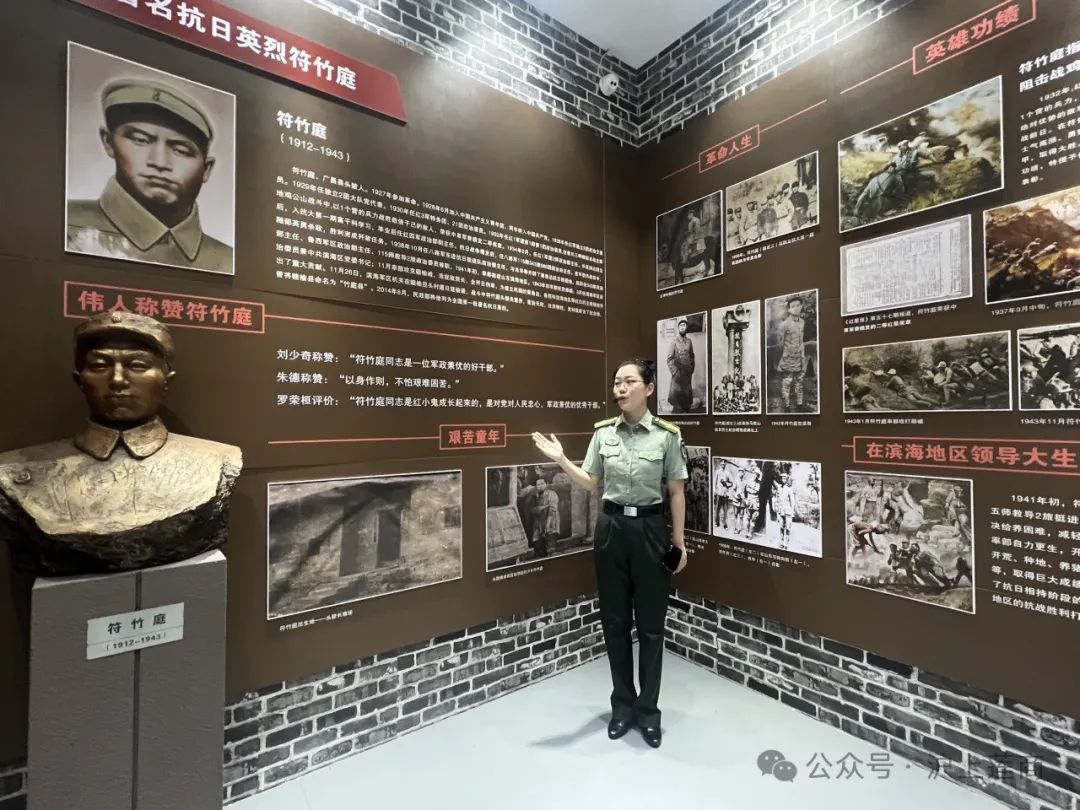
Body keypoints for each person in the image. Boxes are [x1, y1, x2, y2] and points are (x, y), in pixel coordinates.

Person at [0, 312, 242, 575]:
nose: (117, 380)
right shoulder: (13, 473)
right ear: (79, 381)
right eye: (100, 366)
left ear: (167, 381)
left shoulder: (218, 461)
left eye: (137, 365)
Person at [531, 359, 688, 749]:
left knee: (651, 626)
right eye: (617, 382)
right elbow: (590, 482)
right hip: (612, 529)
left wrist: (679, 542)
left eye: (629, 381)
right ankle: (622, 708)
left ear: (648, 389)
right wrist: (561, 460)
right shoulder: (603, 433)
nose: (620, 388)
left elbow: (676, 491)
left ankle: (648, 712)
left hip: (650, 530)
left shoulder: (667, 436)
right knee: (615, 623)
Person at [67, 79, 232, 274]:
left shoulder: (226, 261)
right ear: (108, 142)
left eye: (181, 150)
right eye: (140, 140)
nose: (159, 162)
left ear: (206, 169)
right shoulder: (66, 227)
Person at [775, 296, 807, 412]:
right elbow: (780, 345)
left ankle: (799, 405)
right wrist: (783, 357)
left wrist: (802, 355)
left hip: (799, 357)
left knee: (799, 382)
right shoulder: (784, 325)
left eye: (798, 305)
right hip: (788, 358)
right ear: (789, 309)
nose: (796, 308)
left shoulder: (802, 322)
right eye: (793, 306)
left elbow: (801, 341)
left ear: (801, 306)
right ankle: (787, 406)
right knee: (787, 383)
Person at [666, 319, 696, 413]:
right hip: (678, 374)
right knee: (677, 400)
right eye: (680, 325)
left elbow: (692, 356)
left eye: (684, 325)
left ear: (686, 327)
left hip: (687, 373)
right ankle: (677, 411)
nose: (682, 327)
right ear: (678, 328)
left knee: (686, 396)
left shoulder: (689, 341)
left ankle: (686, 409)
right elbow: (669, 359)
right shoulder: (674, 342)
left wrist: (691, 368)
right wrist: (675, 372)